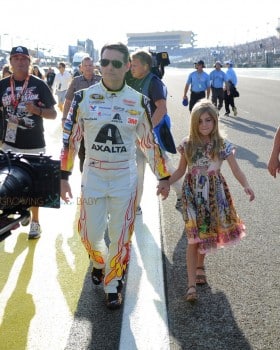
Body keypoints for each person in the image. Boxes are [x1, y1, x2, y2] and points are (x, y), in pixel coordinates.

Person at [60, 42, 170, 310]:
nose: (109, 67)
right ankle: (99, 262)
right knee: (88, 233)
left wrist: (163, 176)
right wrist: (63, 175)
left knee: (120, 235)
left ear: (127, 67)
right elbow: (70, 140)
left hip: (124, 178)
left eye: (116, 63)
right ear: (99, 65)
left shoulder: (139, 100)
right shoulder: (82, 98)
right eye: (105, 62)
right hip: (94, 176)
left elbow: (148, 143)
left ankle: (113, 283)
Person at [168, 99, 255, 303]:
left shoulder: (222, 145)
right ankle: (190, 286)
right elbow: (181, 170)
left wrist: (246, 185)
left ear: (215, 121)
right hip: (192, 196)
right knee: (192, 237)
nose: (204, 125)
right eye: (200, 121)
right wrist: (165, 183)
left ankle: (200, 265)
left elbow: (236, 169)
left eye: (209, 120)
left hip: (213, 196)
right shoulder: (187, 143)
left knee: (204, 232)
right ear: (193, 123)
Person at [0, 45, 57, 239]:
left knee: (34, 187)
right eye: (16, 58)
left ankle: (35, 222)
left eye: (23, 58)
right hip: (8, 143)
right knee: (7, 181)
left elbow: (53, 114)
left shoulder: (39, 84)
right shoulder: (2, 85)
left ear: (29, 61)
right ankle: (16, 212)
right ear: (11, 62)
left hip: (34, 143)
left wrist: (37, 111)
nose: (20, 61)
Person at [129, 49, 183, 214]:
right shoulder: (132, 80)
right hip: (134, 137)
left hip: (150, 138)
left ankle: (182, 195)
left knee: (165, 169)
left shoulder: (153, 82)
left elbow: (162, 108)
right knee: (137, 172)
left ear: (145, 66)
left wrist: (149, 129)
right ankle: (135, 206)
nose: (131, 67)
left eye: (135, 65)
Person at [62, 56, 102, 171]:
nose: (88, 68)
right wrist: (64, 119)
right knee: (82, 154)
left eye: (90, 65)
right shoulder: (76, 81)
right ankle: (84, 182)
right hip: (81, 125)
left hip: (98, 125)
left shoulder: (101, 80)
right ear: (81, 68)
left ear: (94, 66)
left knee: (97, 154)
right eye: (86, 66)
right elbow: (68, 101)